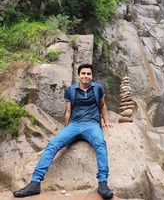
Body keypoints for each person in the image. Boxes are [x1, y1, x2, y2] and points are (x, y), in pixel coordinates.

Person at [13, 63, 114, 199]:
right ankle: (35, 183)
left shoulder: (98, 89)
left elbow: (102, 105)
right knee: (53, 144)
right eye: (83, 73)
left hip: (92, 124)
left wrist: (106, 121)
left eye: (88, 74)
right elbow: (68, 111)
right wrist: (65, 129)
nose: (86, 76)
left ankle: (103, 183)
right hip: (74, 124)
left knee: (101, 144)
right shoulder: (71, 90)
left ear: (92, 76)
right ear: (79, 75)